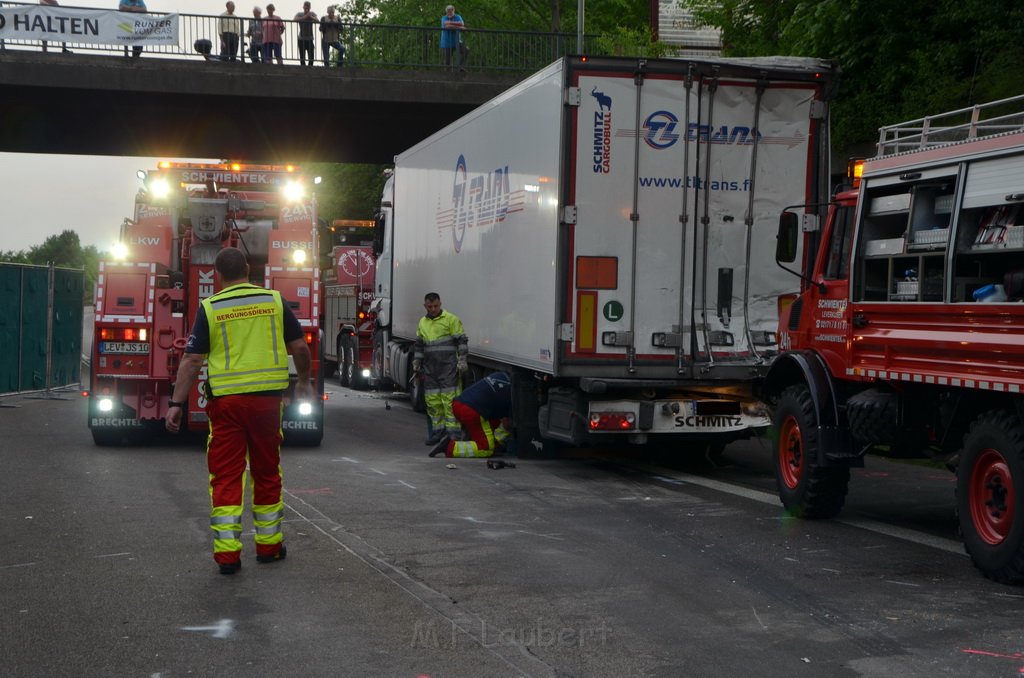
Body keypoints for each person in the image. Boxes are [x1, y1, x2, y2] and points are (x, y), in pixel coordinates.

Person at [165, 247, 313, 575]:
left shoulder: (211, 307)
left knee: (227, 475)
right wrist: (304, 382)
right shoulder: (273, 301)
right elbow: (300, 347)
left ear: (218, 275)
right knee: (266, 471)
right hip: (267, 404)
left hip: (226, 406)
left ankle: (228, 556)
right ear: (248, 268)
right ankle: (269, 546)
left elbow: (191, 360)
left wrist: (176, 404)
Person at [413, 292, 468, 445]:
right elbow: (419, 345)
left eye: (435, 306)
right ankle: (438, 433)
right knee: (433, 403)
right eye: (430, 306)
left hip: (448, 369)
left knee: (450, 402)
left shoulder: (451, 319)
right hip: (430, 369)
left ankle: (453, 436)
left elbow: (462, 340)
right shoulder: (422, 322)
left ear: (440, 303)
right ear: (425, 306)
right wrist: (417, 362)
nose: (433, 309)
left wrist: (462, 360)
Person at [429, 371, 512, 458]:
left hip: (458, 404)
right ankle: (451, 447)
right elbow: (507, 423)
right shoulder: (513, 394)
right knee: (486, 448)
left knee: (495, 420)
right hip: (472, 412)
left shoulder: (500, 375)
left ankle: (479, 441)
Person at [439, 4, 464, 71]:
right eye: (448, 11)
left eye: (451, 11)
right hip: (446, 43)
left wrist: (450, 23)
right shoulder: (444, 18)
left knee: (465, 51)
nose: (449, 12)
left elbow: (462, 24)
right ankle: (448, 77)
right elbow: (447, 26)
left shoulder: (458, 16)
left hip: (457, 41)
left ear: (454, 11)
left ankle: (460, 67)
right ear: (446, 12)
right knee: (448, 62)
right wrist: (458, 26)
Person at [293, 1, 317, 66]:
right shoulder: (300, 14)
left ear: (310, 8)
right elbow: (294, 19)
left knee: (311, 55)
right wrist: (305, 17)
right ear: (303, 7)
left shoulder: (312, 13)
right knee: (302, 55)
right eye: (305, 7)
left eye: (308, 7)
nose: (306, 9)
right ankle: (303, 68)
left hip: (310, 38)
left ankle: (310, 67)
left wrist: (311, 17)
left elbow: (317, 20)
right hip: (301, 38)